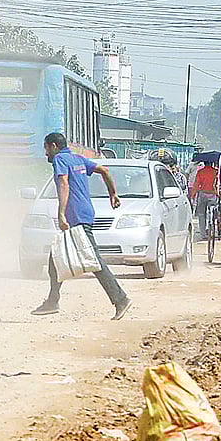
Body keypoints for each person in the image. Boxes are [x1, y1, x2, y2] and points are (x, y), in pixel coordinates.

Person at [31, 133, 132, 320]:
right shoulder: (78, 158)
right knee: (55, 257)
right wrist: (113, 194)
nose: (46, 154)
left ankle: (120, 299)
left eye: (46, 149)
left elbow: (63, 183)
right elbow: (105, 171)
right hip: (85, 212)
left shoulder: (60, 159)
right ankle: (52, 301)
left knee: (94, 261)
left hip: (75, 215)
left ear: (53, 146)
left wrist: (61, 213)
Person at [190, 155, 219, 241]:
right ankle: (212, 230)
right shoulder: (216, 172)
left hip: (202, 194)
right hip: (213, 195)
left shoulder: (200, 172)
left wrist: (193, 196)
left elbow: (196, 184)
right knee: (213, 214)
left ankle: (203, 234)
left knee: (201, 215)